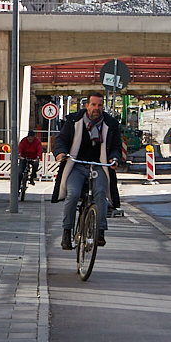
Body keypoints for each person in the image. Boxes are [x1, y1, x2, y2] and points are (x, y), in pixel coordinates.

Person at [52, 93, 122, 250]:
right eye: (93, 105)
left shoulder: (110, 124)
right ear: (87, 106)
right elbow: (61, 140)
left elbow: (116, 146)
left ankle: (100, 232)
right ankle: (66, 232)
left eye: (99, 105)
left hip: (99, 166)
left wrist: (114, 158)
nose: (96, 108)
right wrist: (60, 153)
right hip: (76, 165)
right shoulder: (73, 121)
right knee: (73, 193)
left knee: (100, 193)